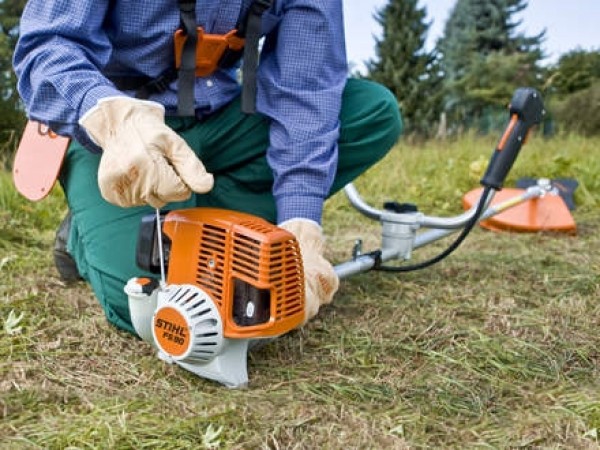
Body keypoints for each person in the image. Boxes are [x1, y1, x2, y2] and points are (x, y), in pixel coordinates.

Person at [13, 0, 403, 335]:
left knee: (371, 113)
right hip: (117, 129)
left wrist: (300, 222)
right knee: (151, 301)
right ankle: (85, 233)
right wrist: (111, 118)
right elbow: (47, 45)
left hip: (223, 121)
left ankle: (189, 216)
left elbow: (305, 91)